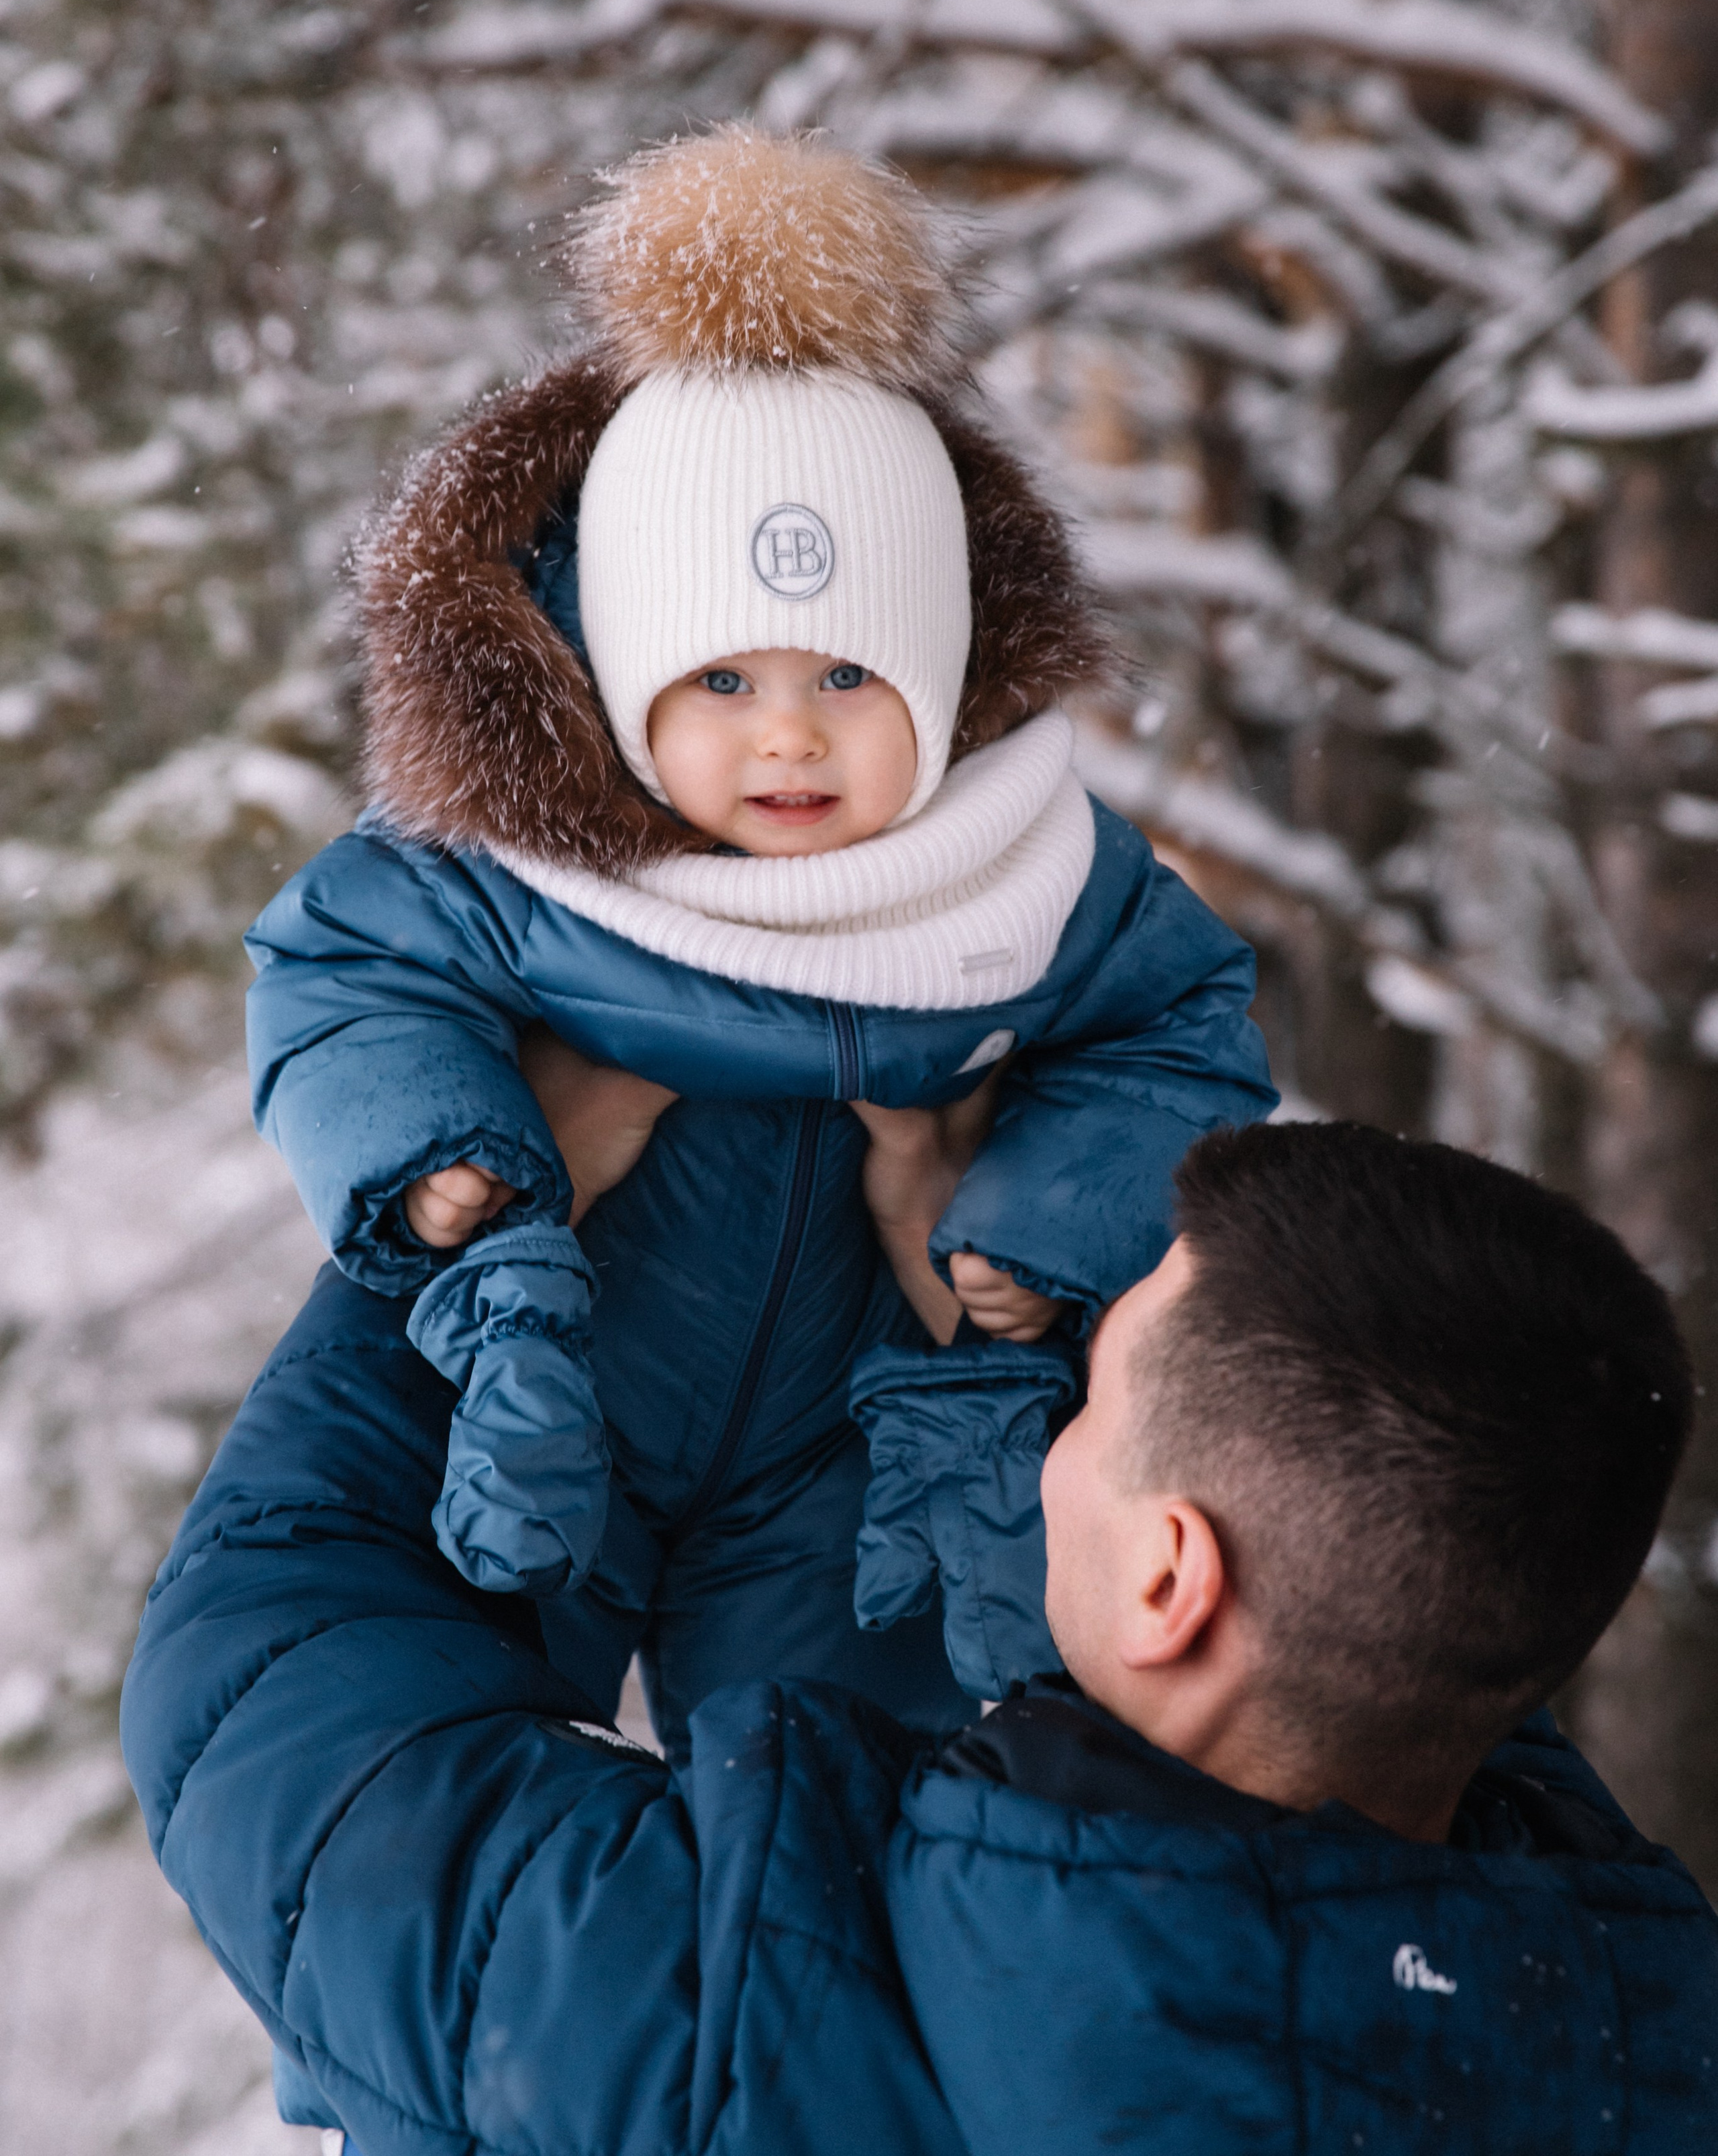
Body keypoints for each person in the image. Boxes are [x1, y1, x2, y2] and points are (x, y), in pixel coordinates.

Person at [242, 126, 1275, 1756]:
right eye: (723, 682)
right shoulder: (516, 866)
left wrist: (1029, 1229)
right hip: (558, 1365)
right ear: (626, 673)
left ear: (935, 689)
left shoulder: (1023, 874)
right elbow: (340, 972)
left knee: (858, 1774)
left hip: (851, 1429)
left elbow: (1178, 1034)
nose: (788, 740)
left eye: (846, 681)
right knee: (470, 1736)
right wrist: (447, 1146)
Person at [121, 1119, 1718, 2153]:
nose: (1057, 1441)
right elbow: (1359, 1600)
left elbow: (263, 1696)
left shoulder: (716, 2017)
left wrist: (467, 1231)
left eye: (1090, 1406)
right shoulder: (1635, 2052)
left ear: (1175, 1583)